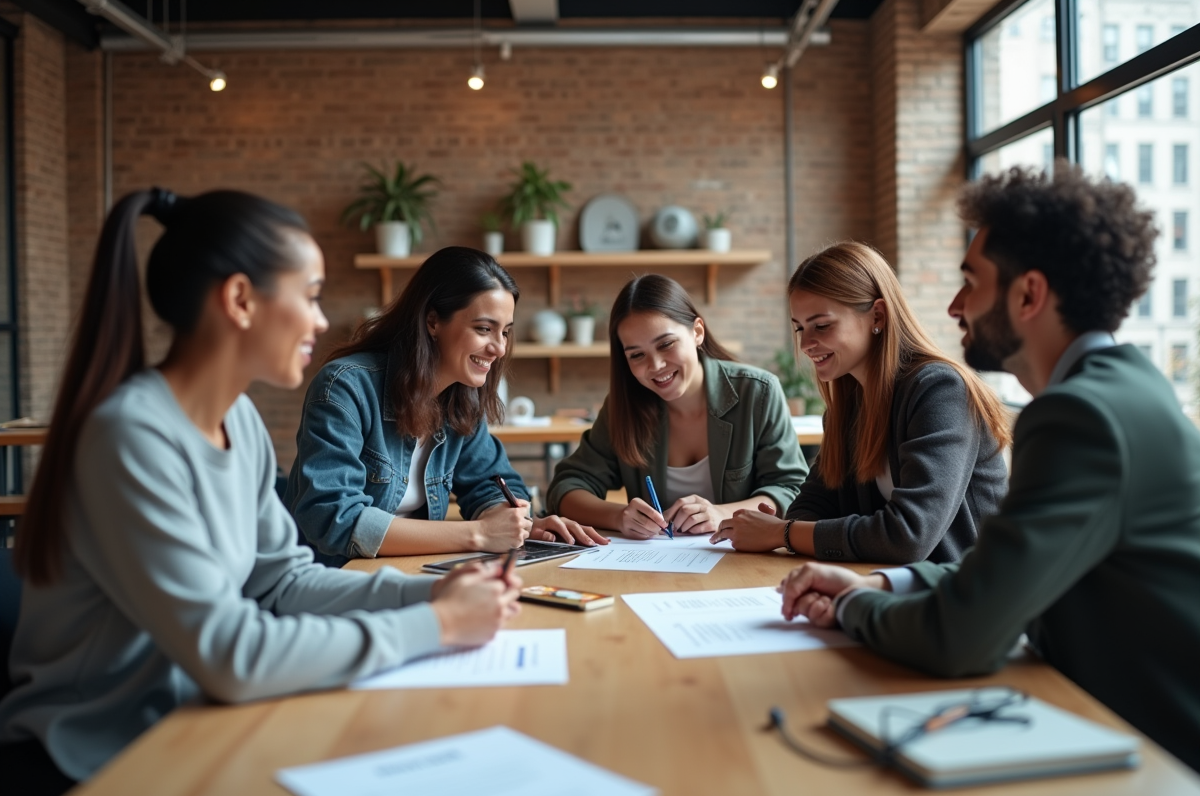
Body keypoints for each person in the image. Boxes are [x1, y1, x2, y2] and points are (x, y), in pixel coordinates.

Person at [0, 190, 522, 796]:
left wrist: (433, 591)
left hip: (198, 725)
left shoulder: (239, 421)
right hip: (97, 758)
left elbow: (282, 582)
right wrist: (436, 624)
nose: (322, 320)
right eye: (310, 296)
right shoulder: (131, 435)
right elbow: (231, 656)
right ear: (241, 300)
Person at [780, 164, 1200, 773]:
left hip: (1152, 748)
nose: (954, 305)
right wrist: (878, 584)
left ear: (1028, 295)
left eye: (970, 283)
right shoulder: (1118, 391)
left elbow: (962, 636)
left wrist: (849, 608)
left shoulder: (1079, 417)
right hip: (1095, 715)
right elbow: (999, 574)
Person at [285, 246, 604, 568]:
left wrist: (512, 523)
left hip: (411, 570)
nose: (499, 348)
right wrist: (479, 534)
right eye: (483, 329)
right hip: (335, 576)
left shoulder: (460, 397)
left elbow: (489, 482)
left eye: (505, 332)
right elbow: (334, 519)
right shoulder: (346, 387)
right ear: (433, 321)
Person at [713, 242, 1011, 563]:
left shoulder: (939, 390)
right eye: (800, 327)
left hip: (966, 597)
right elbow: (812, 505)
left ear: (877, 316)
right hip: (890, 587)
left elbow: (909, 535)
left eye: (822, 325)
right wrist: (786, 526)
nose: (806, 344)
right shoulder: (848, 406)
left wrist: (781, 532)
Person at [546, 274, 808, 539]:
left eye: (666, 344)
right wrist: (617, 516)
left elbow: (790, 489)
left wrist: (721, 513)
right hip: (655, 568)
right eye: (637, 355)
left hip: (742, 562)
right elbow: (567, 487)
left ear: (697, 332)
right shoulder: (623, 406)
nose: (656, 365)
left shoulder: (758, 392)